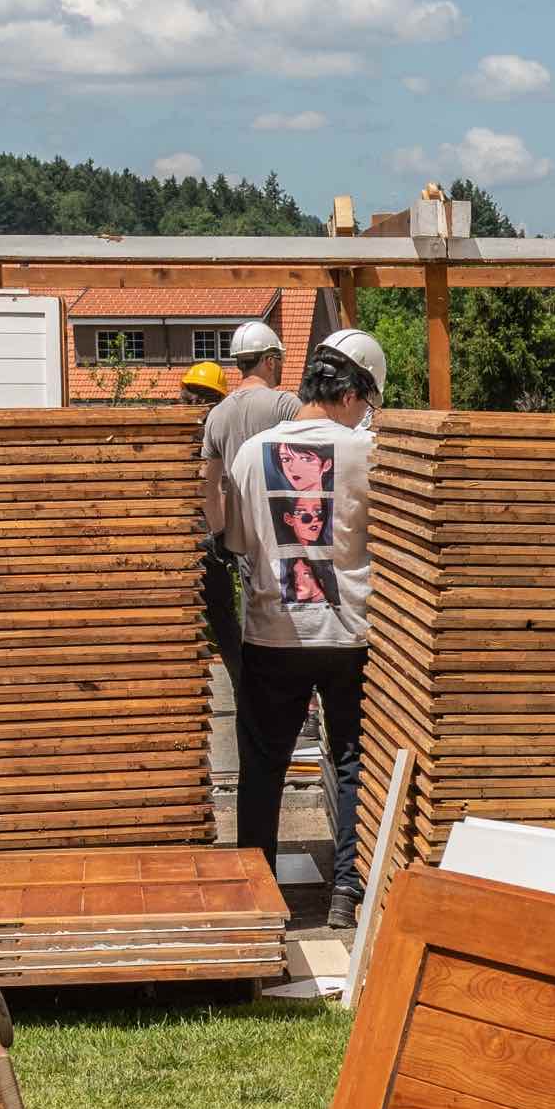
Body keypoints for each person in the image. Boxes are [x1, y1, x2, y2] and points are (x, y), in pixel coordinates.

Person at [224, 327, 381, 929]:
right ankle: (346, 891)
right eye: (367, 401)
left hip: (272, 632)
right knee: (351, 762)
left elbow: (239, 542)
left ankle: (255, 894)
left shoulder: (250, 451)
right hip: (349, 635)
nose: (366, 414)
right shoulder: (367, 453)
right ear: (352, 391)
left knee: (263, 766)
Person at [195, 330, 299, 692]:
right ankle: (301, 709)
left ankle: (256, 702)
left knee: (253, 620)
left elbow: (208, 484)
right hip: (286, 536)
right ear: (269, 360)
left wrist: (222, 533)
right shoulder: (285, 405)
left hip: (242, 539)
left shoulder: (218, 415)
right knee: (295, 622)